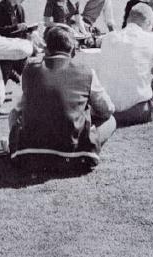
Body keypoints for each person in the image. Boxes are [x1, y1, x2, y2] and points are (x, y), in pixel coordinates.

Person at [9, 25, 116, 170]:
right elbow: (107, 109)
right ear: (72, 50)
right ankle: (90, 146)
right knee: (111, 120)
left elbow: (18, 110)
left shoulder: (30, 70)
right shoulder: (86, 71)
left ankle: (19, 144)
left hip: (30, 153)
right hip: (74, 154)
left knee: (16, 112)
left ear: (46, 49)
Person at [0, 0, 37, 83]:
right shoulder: (0, 8)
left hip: (17, 44)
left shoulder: (20, 9)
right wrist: (16, 28)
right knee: (6, 65)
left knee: (30, 64)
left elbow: (21, 28)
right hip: (4, 46)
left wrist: (29, 32)